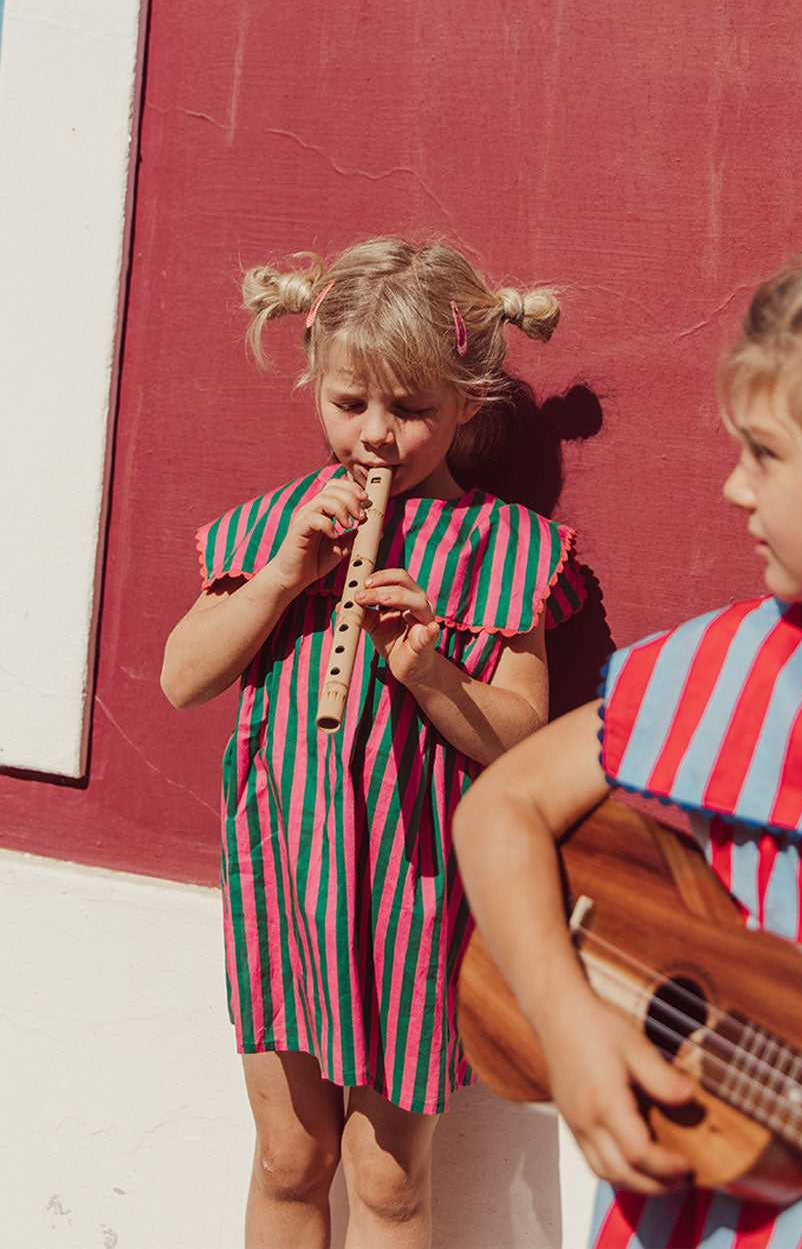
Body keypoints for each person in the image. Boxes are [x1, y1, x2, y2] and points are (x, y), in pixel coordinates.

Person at [453, 232, 802, 1248]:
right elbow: (500, 808)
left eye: (767, 454)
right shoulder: (729, 666)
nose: (734, 489)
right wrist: (568, 1026)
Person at [160, 237, 585, 1249]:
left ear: (468, 405)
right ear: (315, 380)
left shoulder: (507, 548)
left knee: (387, 1179)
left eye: (411, 408)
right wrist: (281, 577)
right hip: (283, 875)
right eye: (350, 403)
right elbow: (182, 678)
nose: (377, 435)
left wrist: (429, 673)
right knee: (289, 1156)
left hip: (413, 892)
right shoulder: (274, 527)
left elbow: (522, 736)